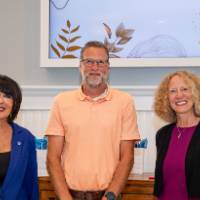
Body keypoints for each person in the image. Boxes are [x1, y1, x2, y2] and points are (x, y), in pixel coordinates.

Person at [46, 41, 140, 200]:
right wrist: (65, 197)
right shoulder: (61, 102)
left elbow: (127, 157)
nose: (95, 67)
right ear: (80, 66)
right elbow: (52, 157)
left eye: (101, 62)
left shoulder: (125, 102)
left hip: (109, 196)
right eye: (89, 61)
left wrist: (109, 197)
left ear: (108, 67)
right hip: (69, 195)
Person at [153, 71, 200, 200]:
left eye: (185, 89)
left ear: (196, 93)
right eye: (173, 91)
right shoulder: (162, 135)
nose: (179, 95)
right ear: (166, 98)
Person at [0, 75, 39, 200]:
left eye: (7, 96)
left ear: (14, 103)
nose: (1, 100)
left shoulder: (26, 139)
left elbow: (31, 185)